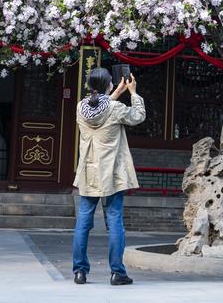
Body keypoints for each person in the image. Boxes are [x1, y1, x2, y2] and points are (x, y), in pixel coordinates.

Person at [72, 68, 145, 285]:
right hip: (112, 172)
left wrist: (116, 92)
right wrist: (133, 93)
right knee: (114, 221)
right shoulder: (115, 108)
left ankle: (79, 271)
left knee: (83, 222)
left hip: (88, 171)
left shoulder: (81, 106)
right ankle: (117, 272)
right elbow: (138, 116)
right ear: (107, 85)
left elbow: (100, 109)